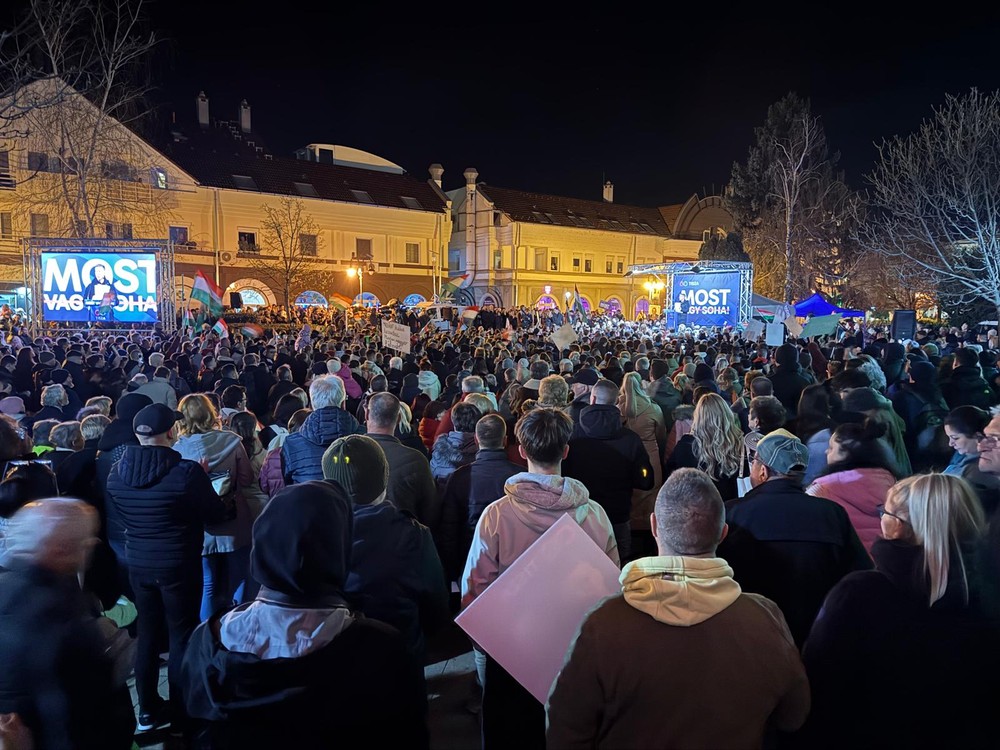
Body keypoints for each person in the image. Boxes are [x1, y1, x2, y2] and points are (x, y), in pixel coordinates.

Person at [546, 468, 810, 749]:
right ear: (722, 533)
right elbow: (794, 715)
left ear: (654, 526)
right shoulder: (765, 618)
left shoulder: (603, 623)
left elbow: (565, 731)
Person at [180, 481, 429, 748]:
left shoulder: (206, 644)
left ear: (263, 544)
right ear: (339, 549)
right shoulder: (383, 649)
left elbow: (193, 732)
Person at [798, 473, 998, 749]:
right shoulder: (988, 594)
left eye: (885, 511)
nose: (881, 517)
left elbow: (819, 685)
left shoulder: (858, 594)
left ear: (902, 527)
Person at [462, 407, 618, 749]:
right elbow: (612, 592)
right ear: (565, 451)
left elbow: (475, 587)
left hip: (512, 647)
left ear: (520, 451)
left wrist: (484, 644)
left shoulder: (497, 515)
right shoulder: (594, 515)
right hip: (576, 649)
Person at [106, 403, 227, 731]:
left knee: (147, 633)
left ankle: (146, 711)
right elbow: (215, 515)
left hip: (138, 564)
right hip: (178, 565)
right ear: (172, 433)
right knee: (181, 634)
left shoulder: (116, 472)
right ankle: (181, 708)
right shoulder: (186, 472)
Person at [0, 498, 136, 749]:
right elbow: (72, 716)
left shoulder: (8, 588)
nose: (88, 549)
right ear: (60, 549)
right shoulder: (65, 620)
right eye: (83, 544)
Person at [719, 429, 873, 646]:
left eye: (754, 461)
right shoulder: (832, 514)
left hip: (751, 637)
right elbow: (858, 577)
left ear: (762, 471)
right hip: (818, 637)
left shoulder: (733, 514)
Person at [322, 435, 449, 662]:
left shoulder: (317, 536)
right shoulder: (413, 535)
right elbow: (436, 605)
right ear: (383, 479)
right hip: (400, 653)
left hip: (338, 660)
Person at [174, 393, 256, 621]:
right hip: (233, 517)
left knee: (208, 584)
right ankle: (240, 623)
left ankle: (208, 634)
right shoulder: (231, 440)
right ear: (210, 413)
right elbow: (247, 478)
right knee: (240, 576)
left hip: (201, 524)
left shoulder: (178, 450)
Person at [562, 379, 654, 561]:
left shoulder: (571, 436)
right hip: (617, 513)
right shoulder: (631, 439)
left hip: (581, 514)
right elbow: (646, 480)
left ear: (593, 399)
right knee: (619, 568)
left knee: (582, 566)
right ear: (616, 402)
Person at [439, 413, 523, 581]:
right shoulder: (519, 477)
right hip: (512, 565)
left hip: (470, 562)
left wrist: (452, 572)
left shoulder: (459, 477)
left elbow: (449, 530)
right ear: (505, 440)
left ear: (476, 440)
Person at [806, 420, 900, 553]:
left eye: (832, 448)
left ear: (846, 453)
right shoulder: (891, 483)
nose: (827, 451)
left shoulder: (820, 490)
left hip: (848, 565)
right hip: (886, 560)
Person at [364, 392, 439, 529]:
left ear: (367, 414)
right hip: (403, 541)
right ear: (399, 418)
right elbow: (430, 512)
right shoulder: (416, 460)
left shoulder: (348, 453)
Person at [281, 374, 363, 484]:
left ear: (312, 405)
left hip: (308, 500)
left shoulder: (291, 443)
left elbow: (288, 483)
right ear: (343, 403)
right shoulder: (365, 436)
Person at [618, 371, 666, 556]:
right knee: (650, 496)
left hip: (627, 457)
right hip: (650, 456)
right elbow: (661, 435)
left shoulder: (619, 408)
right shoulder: (653, 408)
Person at [665, 392, 745, 500]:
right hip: (731, 507)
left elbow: (672, 474)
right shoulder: (739, 444)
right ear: (726, 415)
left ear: (697, 417)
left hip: (696, 506)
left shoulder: (685, 446)